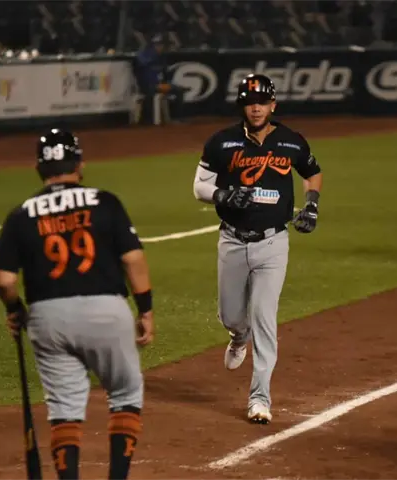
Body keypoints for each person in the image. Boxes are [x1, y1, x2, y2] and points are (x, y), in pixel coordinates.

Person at [0, 128, 154, 480]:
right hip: (106, 311)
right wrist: (146, 310)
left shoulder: (21, 214)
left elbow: (3, 280)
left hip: (48, 318)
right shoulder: (105, 202)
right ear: (80, 164)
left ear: (39, 168)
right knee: (125, 393)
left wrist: (15, 310)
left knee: (64, 407)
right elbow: (133, 260)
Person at [192, 74, 323, 424]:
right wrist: (221, 195)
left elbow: (313, 172)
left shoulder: (291, 141)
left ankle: (260, 398)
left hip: (273, 242)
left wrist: (312, 204)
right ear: (242, 106)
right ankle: (238, 336)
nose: (256, 108)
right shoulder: (221, 142)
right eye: (250, 102)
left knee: (265, 317)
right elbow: (199, 186)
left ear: (272, 105)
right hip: (232, 241)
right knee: (231, 315)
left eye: (262, 102)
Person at [133, 35, 185, 124]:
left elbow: (164, 74)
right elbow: (141, 62)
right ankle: (147, 119)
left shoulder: (162, 57)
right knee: (151, 95)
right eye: (159, 45)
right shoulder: (144, 54)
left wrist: (166, 83)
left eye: (162, 45)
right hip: (148, 86)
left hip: (160, 85)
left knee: (179, 90)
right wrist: (154, 56)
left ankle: (177, 118)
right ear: (154, 45)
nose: (161, 47)